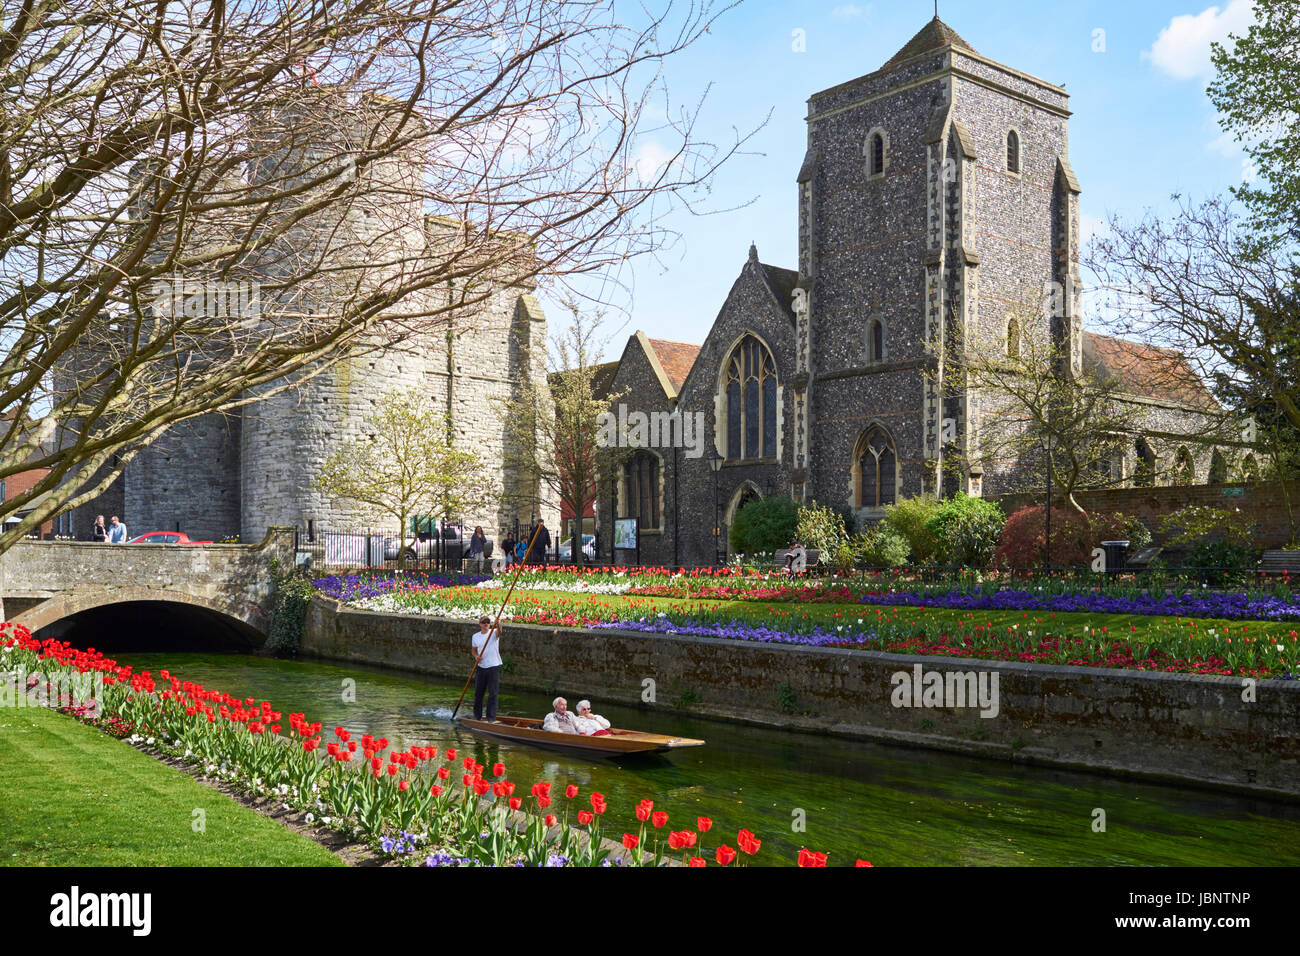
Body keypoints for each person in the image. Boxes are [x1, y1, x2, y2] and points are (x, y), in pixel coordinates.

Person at [470, 615, 502, 722]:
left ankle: (491, 718)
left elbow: (500, 631)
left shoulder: (493, 632)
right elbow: (474, 650)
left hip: (493, 667)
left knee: (493, 693)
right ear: (480, 624)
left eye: (488, 622)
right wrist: (476, 656)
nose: (486, 624)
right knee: (479, 693)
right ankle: (477, 716)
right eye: (484, 622)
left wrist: (498, 623)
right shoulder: (475, 636)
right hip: (481, 667)